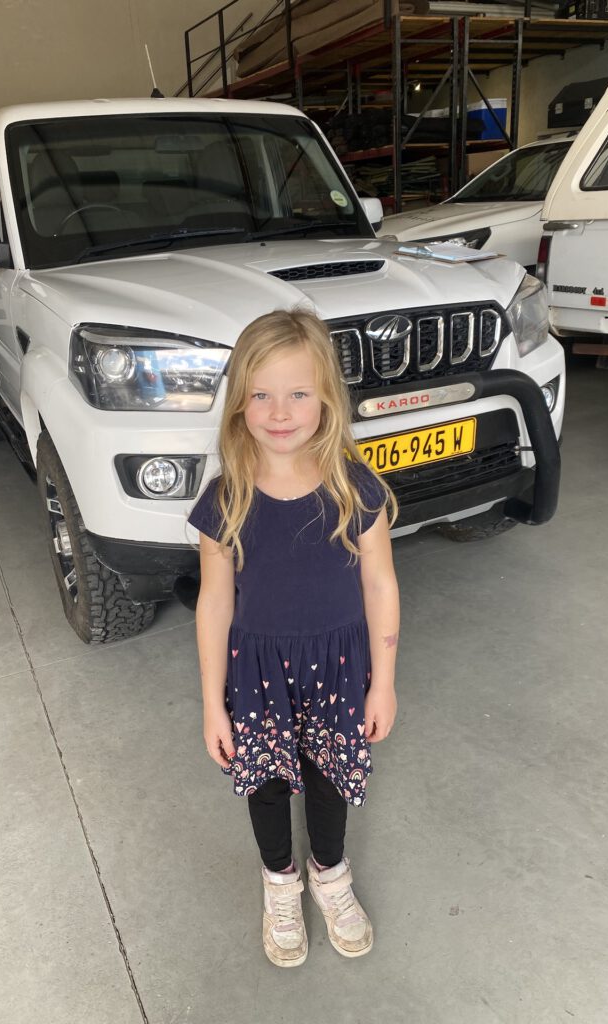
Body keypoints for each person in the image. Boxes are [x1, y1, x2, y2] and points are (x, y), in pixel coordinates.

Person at [188, 307, 400, 967]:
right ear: (239, 403)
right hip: (257, 674)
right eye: (261, 395)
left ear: (327, 397)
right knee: (266, 783)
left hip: (339, 667)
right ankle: (279, 880)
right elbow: (214, 601)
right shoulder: (227, 497)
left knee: (330, 777)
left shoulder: (354, 489)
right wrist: (212, 703)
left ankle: (330, 873)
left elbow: (380, 586)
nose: (280, 412)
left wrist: (384, 684)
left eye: (299, 393)